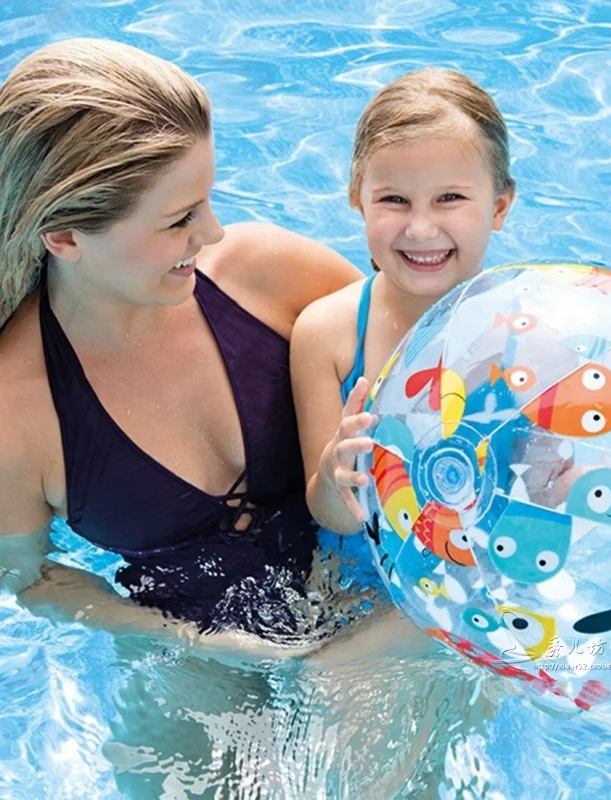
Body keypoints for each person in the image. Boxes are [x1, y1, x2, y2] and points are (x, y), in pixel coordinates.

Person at [0, 38, 363, 658]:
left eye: (207, 198)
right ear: (63, 236)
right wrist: (205, 643)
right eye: (179, 219)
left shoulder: (270, 275)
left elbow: (435, 369)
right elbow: (30, 581)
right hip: (193, 665)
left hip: (365, 600)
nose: (214, 232)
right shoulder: (17, 414)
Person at [291, 67, 515, 534]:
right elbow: (336, 522)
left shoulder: (527, 329)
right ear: (358, 201)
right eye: (394, 200)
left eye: (449, 198)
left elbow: (553, 489)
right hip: (359, 580)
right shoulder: (329, 335)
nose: (420, 229)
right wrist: (337, 475)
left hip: (476, 577)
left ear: (499, 207)